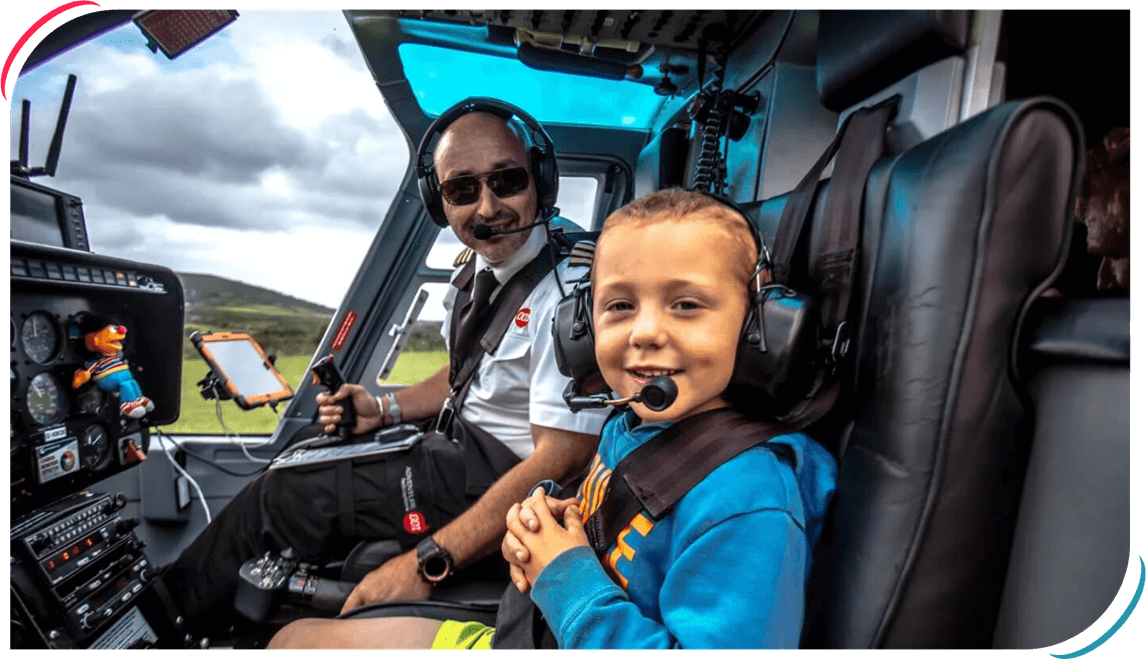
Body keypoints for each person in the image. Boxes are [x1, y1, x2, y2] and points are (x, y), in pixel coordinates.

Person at [267, 189, 838, 649]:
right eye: (619, 306)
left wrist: (564, 574)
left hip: (563, 617)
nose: (644, 332)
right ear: (582, 332)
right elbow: (616, 529)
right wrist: (548, 517)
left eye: (686, 304)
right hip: (534, 628)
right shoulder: (630, 426)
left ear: (758, 326)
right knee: (293, 639)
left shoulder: (748, 496)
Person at [161, 99, 611, 635]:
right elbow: (464, 373)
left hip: (507, 479)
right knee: (306, 445)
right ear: (438, 202)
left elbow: (562, 458)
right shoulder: (476, 273)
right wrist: (382, 408)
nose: (488, 207)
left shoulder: (570, 289)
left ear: (541, 181)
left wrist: (426, 561)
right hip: (459, 450)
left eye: (507, 180)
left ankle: (161, 624)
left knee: (285, 494)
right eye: (462, 191)